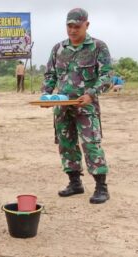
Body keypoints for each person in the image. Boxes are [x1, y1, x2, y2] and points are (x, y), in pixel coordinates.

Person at [42, 8, 112, 204]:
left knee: (91, 144)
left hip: (86, 105)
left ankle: (101, 187)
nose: (72, 30)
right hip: (62, 106)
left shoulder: (98, 47)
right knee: (66, 144)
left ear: (86, 25)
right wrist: (46, 95)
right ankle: (75, 182)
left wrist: (91, 93)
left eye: (77, 26)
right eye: (69, 26)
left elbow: (106, 76)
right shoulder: (58, 48)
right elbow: (50, 75)